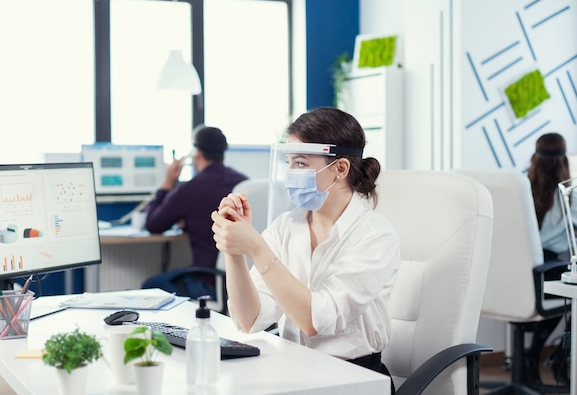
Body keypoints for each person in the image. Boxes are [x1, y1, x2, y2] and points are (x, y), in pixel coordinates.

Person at [211, 107, 401, 393]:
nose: (290, 174)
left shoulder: (375, 236)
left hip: (355, 378)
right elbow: (250, 320)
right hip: (295, 369)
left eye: (300, 163)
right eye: (288, 163)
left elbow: (316, 320)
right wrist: (235, 250)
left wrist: (257, 248)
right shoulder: (286, 226)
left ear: (340, 169)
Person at [527, 132, 577, 385]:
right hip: (549, 270)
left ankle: (532, 358)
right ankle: (561, 354)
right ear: (564, 161)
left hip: (523, 275)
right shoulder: (570, 196)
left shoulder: (522, 189)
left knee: (567, 296)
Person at [143, 126, 248, 299]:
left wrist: (168, 182)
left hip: (208, 282)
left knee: (150, 286)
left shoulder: (189, 189)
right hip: (242, 282)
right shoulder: (243, 183)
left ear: (197, 153)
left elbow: (153, 224)